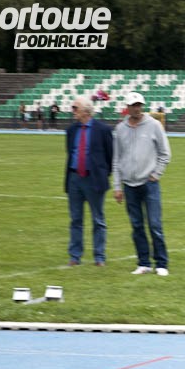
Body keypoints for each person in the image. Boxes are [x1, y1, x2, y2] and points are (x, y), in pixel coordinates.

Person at [113, 92, 172, 276]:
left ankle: (161, 263)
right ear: (128, 108)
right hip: (129, 185)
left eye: (139, 105)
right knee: (136, 225)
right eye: (133, 105)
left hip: (149, 183)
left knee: (155, 224)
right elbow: (116, 159)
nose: (137, 108)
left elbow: (165, 153)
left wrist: (156, 174)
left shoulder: (154, 125)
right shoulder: (120, 129)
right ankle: (144, 262)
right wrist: (117, 186)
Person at [64, 95, 114, 266]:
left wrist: (102, 174)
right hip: (74, 179)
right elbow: (70, 152)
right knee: (75, 219)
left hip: (94, 179)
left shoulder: (103, 130)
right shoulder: (71, 130)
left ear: (86, 111)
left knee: (98, 219)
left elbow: (110, 156)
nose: (73, 111)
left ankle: (99, 256)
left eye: (75, 108)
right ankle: (75, 256)